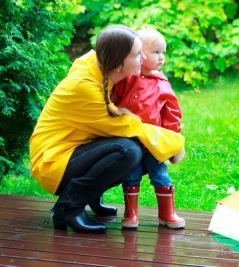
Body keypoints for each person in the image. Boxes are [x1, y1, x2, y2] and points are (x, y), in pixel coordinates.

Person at [29, 25, 185, 234]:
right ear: (119, 63)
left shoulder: (103, 69)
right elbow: (125, 126)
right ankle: (68, 208)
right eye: (137, 54)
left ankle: (91, 196)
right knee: (128, 151)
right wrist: (175, 143)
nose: (143, 59)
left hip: (74, 149)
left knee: (141, 152)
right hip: (53, 162)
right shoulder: (84, 86)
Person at [113, 28, 185, 229]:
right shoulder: (126, 79)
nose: (161, 57)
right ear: (138, 53)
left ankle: (167, 213)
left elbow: (172, 112)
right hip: (132, 140)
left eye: (163, 52)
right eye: (155, 52)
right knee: (131, 175)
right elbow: (113, 101)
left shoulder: (162, 83)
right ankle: (131, 213)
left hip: (155, 141)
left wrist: (172, 140)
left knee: (160, 175)